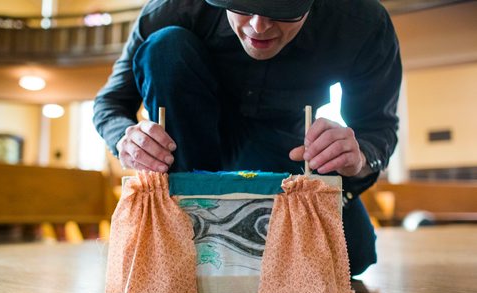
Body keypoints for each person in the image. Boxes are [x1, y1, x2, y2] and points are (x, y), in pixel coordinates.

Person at [93, 0, 402, 276]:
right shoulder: (172, 8)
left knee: (352, 254)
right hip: (187, 144)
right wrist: (126, 139)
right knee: (165, 47)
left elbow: (378, 129)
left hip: (285, 149)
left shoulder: (362, 23)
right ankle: (181, 217)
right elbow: (110, 103)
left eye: (280, 10)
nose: (259, 26)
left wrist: (357, 156)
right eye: (241, 6)